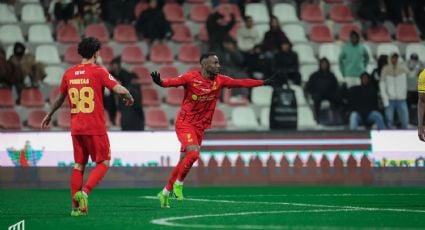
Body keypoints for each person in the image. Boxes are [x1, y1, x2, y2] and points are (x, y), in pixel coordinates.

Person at [150, 52, 278, 208]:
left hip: (200, 126)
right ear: (204, 65)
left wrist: (263, 82)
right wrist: (160, 82)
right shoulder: (190, 78)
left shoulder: (220, 80)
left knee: (185, 160)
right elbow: (171, 82)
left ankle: (164, 193)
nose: (218, 66)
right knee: (193, 153)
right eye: (215, 63)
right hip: (185, 123)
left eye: (218, 63)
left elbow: (242, 82)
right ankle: (178, 184)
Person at [40, 37, 134, 216]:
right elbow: (118, 89)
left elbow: (60, 98)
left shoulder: (69, 73)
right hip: (95, 126)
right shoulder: (99, 71)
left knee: (79, 165)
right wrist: (129, 97)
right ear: (96, 52)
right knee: (104, 162)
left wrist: (49, 114)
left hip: (76, 128)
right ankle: (84, 193)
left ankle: (76, 208)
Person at [306, 58, 342, 123]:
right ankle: (317, 119)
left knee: (338, 98)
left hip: (329, 94)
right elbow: (309, 87)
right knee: (316, 98)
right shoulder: (314, 75)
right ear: (320, 65)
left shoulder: (331, 76)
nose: (324, 65)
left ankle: (337, 119)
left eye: (325, 64)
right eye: (323, 64)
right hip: (318, 94)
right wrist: (313, 92)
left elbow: (336, 87)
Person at [379, 52, 409, 129]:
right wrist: (385, 99)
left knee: (405, 121)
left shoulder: (403, 68)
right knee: (389, 121)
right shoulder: (385, 69)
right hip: (390, 100)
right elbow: (382, 85)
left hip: (401, 99)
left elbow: (411, 75)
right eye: (393, 57)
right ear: (390, 58)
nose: (394, 59)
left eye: (396, 58)